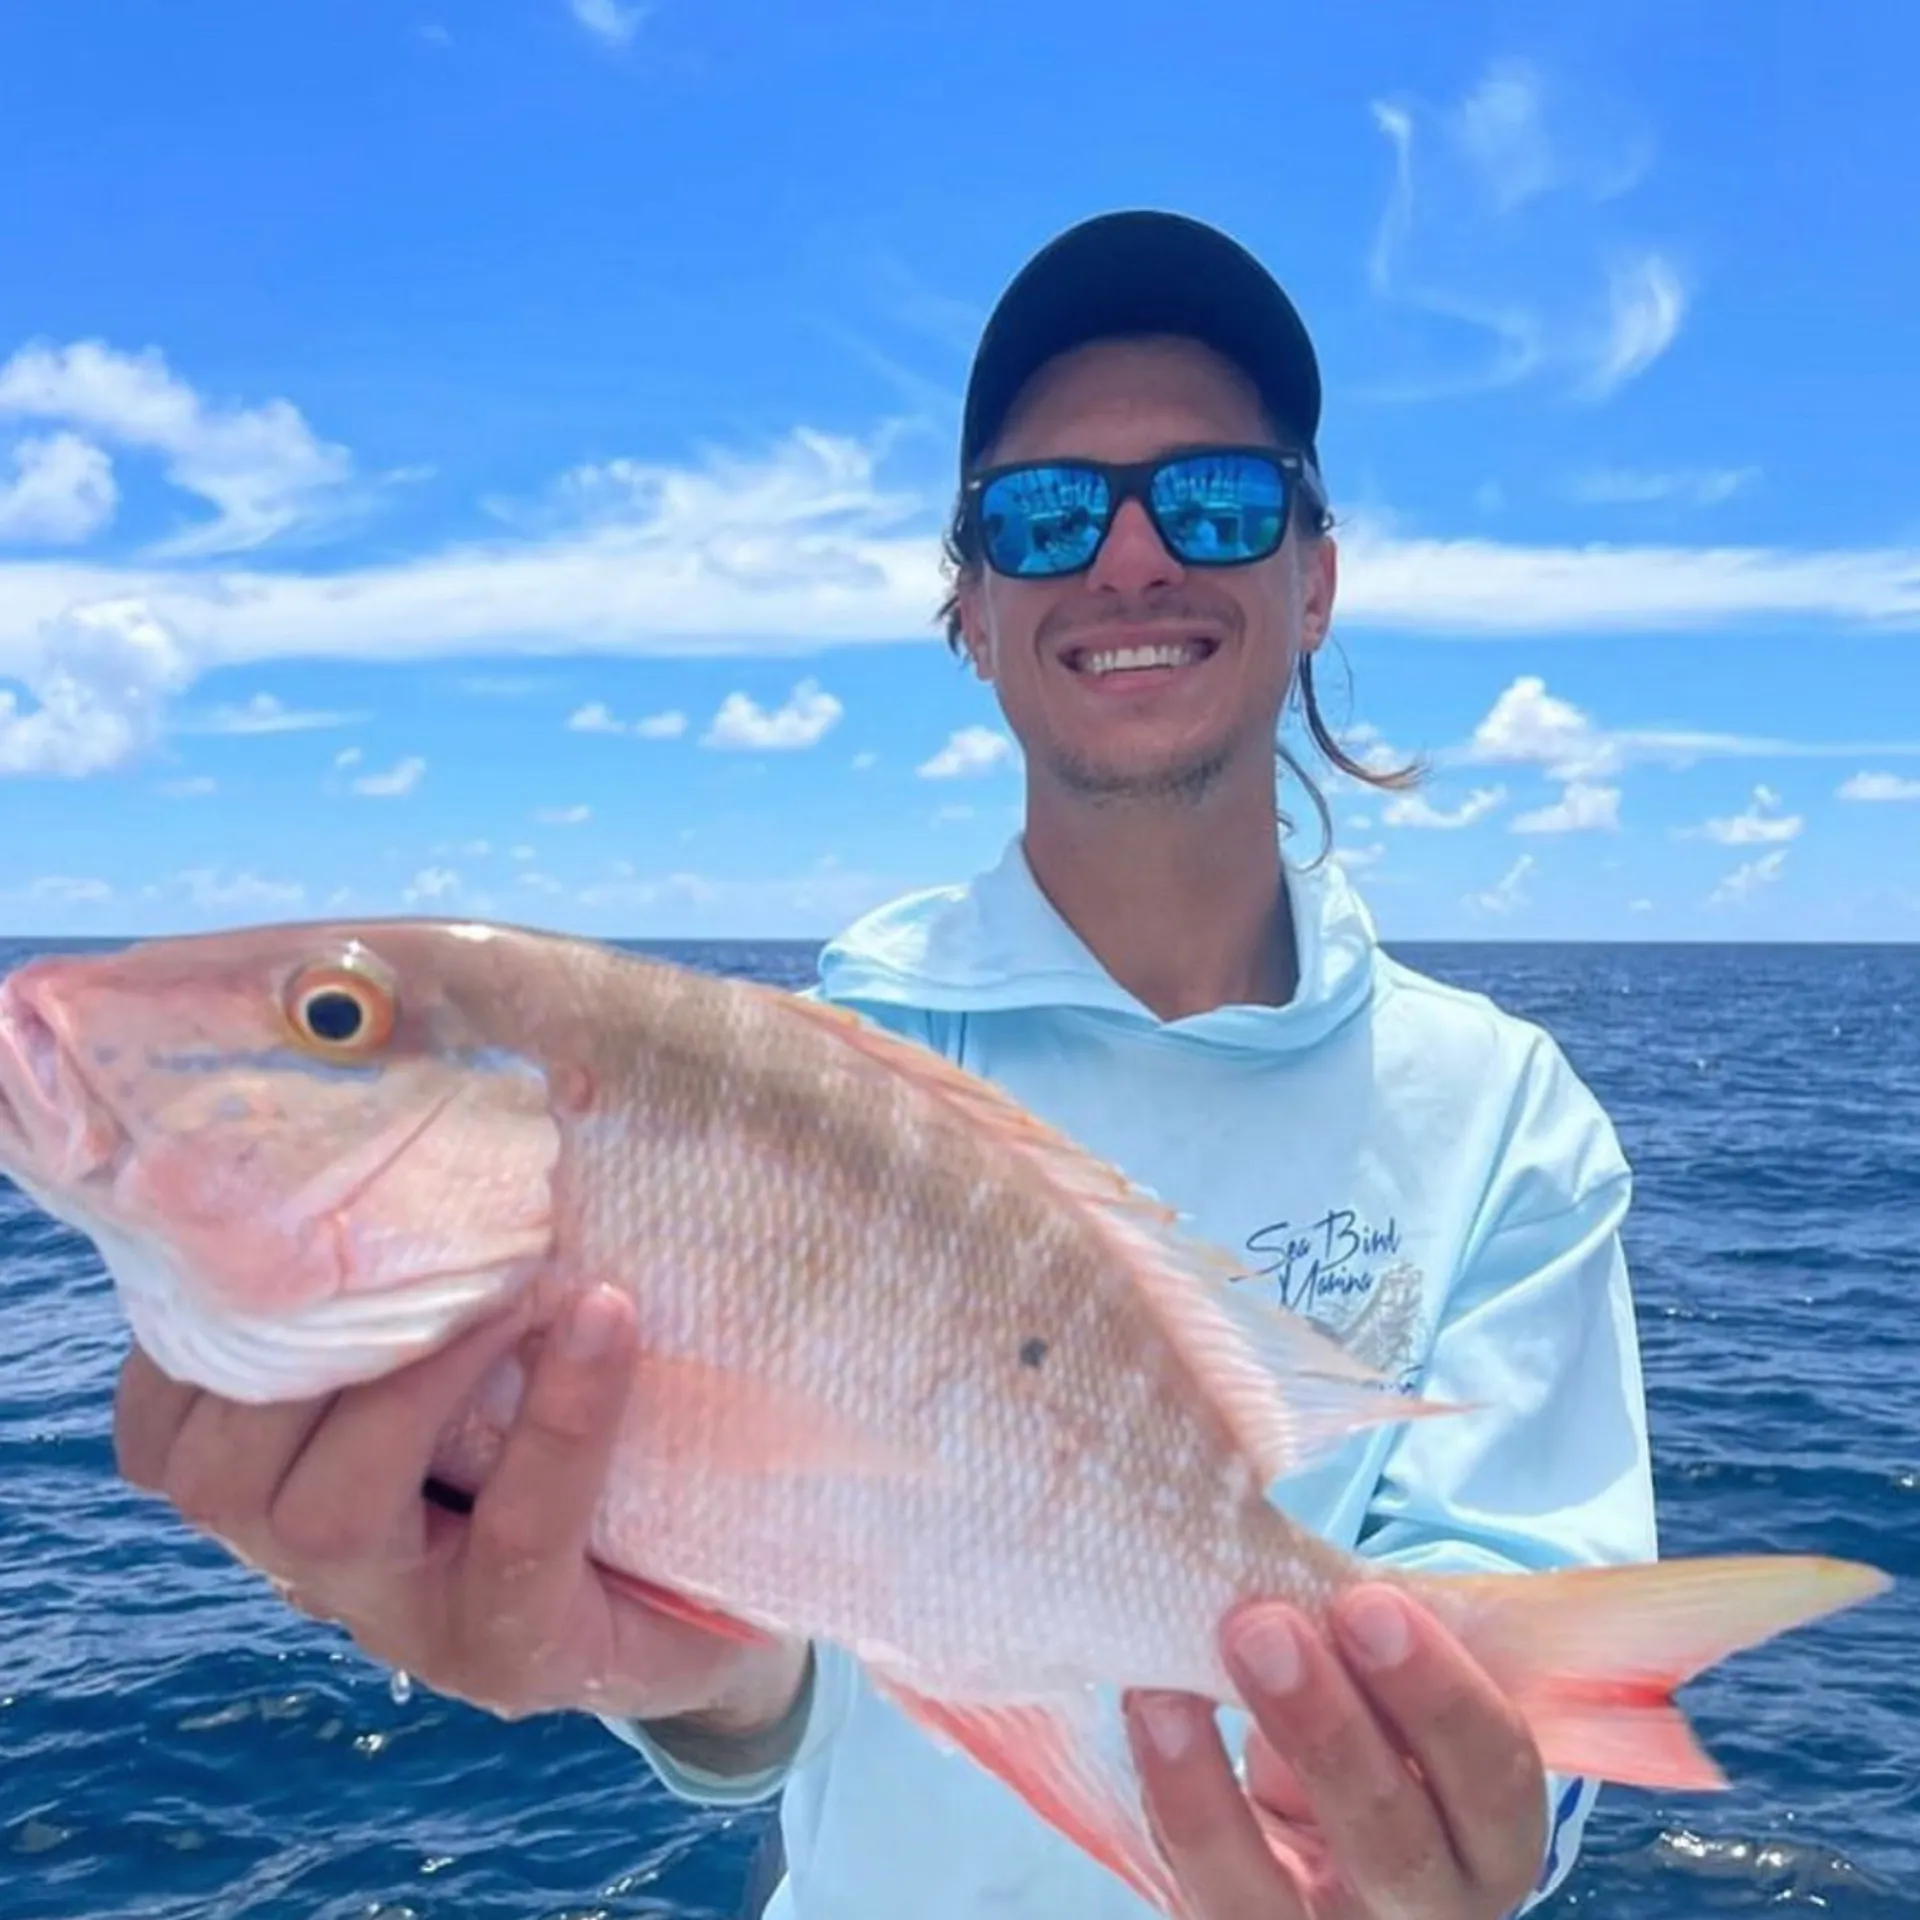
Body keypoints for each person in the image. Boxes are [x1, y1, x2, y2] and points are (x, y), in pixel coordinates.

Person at [112, 210, 1659, 1920]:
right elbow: (780, 1673)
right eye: (1046, 513)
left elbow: (1542, 1711)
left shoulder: (1510, 1118)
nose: (1129, 558)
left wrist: (1458, 1836)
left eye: (1215, 496)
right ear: (972, 610)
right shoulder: (825, 1064)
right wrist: (672, 1668)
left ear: (1314, 578)